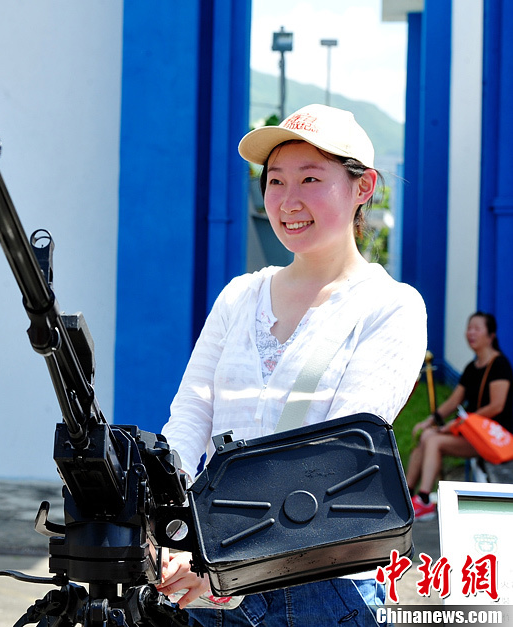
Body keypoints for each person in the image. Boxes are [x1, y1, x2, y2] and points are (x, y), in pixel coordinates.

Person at [156, 104, 427, 625]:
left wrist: (216, 554)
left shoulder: (389, 307)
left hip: (324, 592)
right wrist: (168, 530)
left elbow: (338, 457)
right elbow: (190, 417)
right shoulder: (240, 297)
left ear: (363, 187)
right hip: (216, 591)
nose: (288, 200)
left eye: (311, 178)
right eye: (275, 181)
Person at [407, 312, 512, 520]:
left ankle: (425, 499)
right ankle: (407, 496)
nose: (470, 333)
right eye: (469, 328)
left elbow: (496, 406)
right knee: (427, 436)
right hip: (472, 434)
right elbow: (453, 401)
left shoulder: (499, 365)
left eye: (476, 328)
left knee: (434, 440)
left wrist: (458, 423)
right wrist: (429, 421)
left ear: (490, 335)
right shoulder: (472, 367)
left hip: (492, 439)